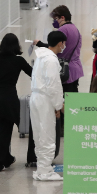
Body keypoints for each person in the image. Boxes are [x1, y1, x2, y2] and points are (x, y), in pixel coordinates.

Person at [0, 33, 33, 172]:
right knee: (5, 130)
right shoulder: (18, 61)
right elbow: (32, 73)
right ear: (16, 46)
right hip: (9, 97)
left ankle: (7, 158)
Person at [29, 31, 66, 181]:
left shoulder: (40, 57)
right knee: (47, 135)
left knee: (39, 135)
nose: (64, 46)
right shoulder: (51, 59)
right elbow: (54, 85)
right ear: (60, 43)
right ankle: (45, 171)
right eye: (64, 43)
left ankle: (41, 169)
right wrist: (58, 106)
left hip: (35, 97)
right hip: (45, 100)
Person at [34, 5, 83, 92]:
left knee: (64, 99)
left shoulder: (62, 30)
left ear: (62, 18)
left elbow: (54, 47)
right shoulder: (75, 29)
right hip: (75, 69)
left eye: (56, 19)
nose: (54, 21)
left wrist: (40, 44)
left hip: (65, 70)